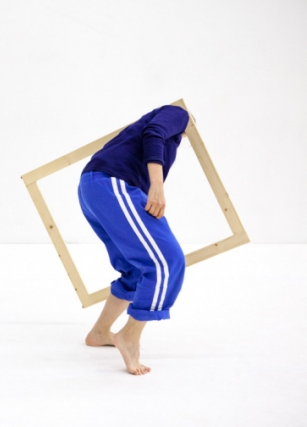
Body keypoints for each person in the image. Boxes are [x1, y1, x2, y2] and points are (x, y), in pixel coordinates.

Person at [77, 105, 190, 375]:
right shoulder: (178, 113)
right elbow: (155, 132)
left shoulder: (135, 133)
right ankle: (130, 335)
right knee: (167, 262)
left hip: (94, 187)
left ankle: (100, 332)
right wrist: (157, 186)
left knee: (135, 269)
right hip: (113, 184)